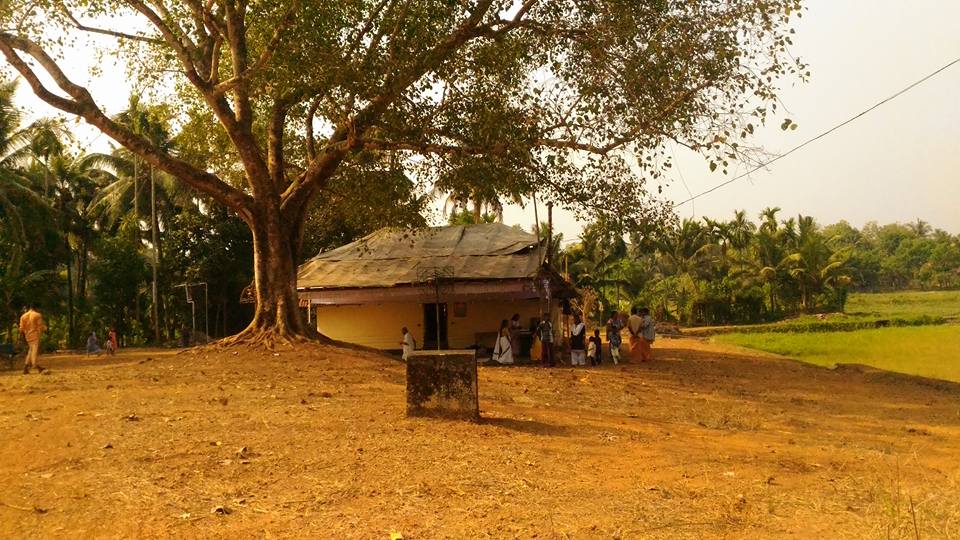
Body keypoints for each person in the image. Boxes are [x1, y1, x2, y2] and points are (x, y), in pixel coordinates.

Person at [18, 304, 46, 374]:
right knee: (34, 351)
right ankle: (35, 365)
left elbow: (21, 329)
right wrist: (42, 332)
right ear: (37, 308)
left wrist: (22, 337)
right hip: (35, 335)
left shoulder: (23, 316)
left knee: (30, 350)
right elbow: (40, 327)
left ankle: (26, 367)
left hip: (27, 336)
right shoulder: (37, 315)